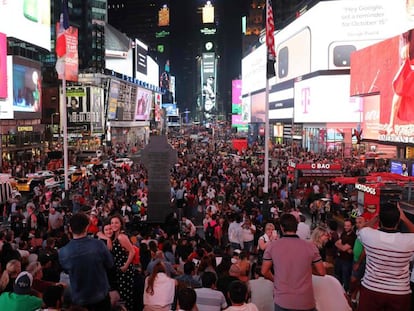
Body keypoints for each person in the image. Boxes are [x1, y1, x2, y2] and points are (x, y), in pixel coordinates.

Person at [261, 213, 326, 310]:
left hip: (283, 300)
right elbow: (321, 272)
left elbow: (264, 271)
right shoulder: (310, 247)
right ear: (296, 228)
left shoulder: (272, 246)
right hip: (306, 301)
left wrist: (275, 280)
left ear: (282, 228)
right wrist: (308, 269)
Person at [357, 203, 414, 311]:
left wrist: (376, 218)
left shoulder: (369, 236)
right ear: (398, 221)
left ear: (380, 220)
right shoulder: (408, 241)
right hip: (399, 292)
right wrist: (404, 218)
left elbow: (362, 229)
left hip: (371, 288)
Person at [58, 212, 114, 311]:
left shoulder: (63, 252)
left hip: (79, 300)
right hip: (101, 297)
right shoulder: (99, 245)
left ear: (70, 229)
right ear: (87, 227)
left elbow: (67, 270)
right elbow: (110, 264)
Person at [109, 214, 136, 311]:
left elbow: (132, 251)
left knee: (125, 296)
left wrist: (125, 266)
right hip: (119, 270)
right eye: (112, 223)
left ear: (121, 224)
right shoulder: (114, 237)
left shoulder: (121, 237)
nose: (114, 225)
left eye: (116, 222)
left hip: (125, 271)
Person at [335, 218, 356, 293]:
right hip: (339, 259)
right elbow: (336, 243)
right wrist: (346, 249)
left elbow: (342, 247)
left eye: (348, 226)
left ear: (352, 226)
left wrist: (342, 247)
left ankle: (345, 293)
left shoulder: (353, 237)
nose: (346, 227)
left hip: (347, 261)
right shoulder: (344, 233)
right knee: (338, 277)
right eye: (345, 225)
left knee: (346, 279)